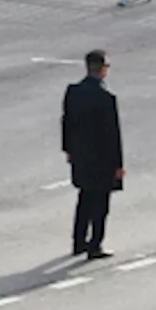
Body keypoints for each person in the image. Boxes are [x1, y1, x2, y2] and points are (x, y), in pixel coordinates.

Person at [62, 50, 124, 261]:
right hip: (102, 160)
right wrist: (118, 165)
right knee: (101, 204)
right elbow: (112, 135)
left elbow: (66, 122)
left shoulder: (73, 91)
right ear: (103, 70)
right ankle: (95, 244)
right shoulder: (106, 98)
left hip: (80, 156)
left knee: (84, 198)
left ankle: (78, 242)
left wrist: (68, 150)